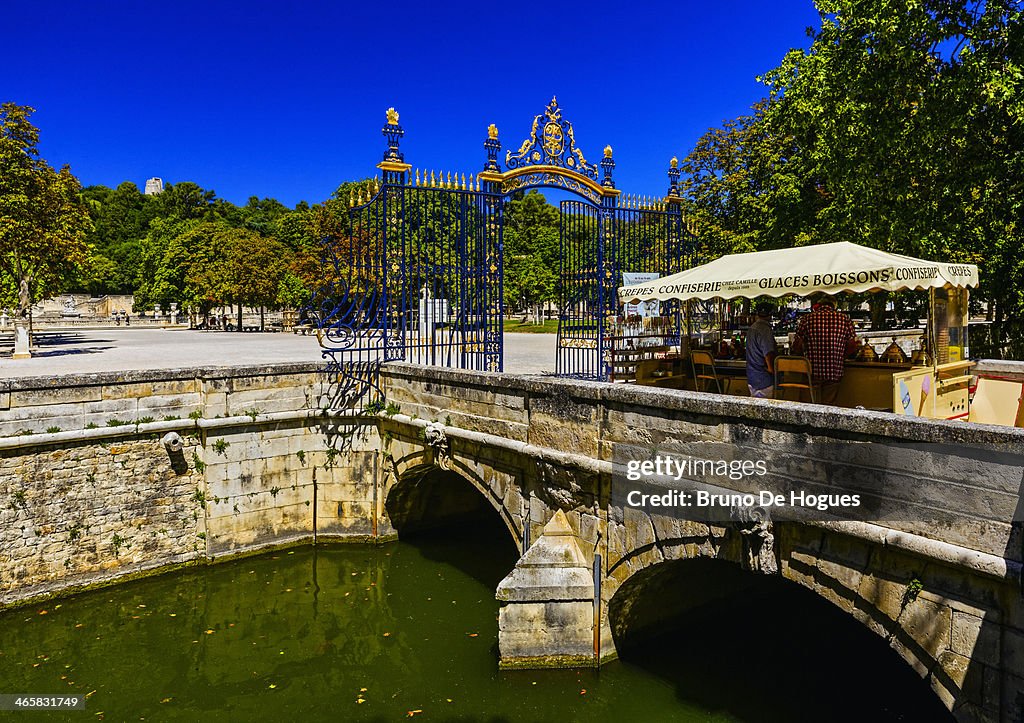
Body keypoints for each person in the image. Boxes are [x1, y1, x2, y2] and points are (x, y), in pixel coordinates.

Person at [792, 294, 858, 404]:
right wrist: (841, 356)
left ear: (820, 304)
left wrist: (800, 351)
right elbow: (853, 344)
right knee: (829, 406)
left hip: (811, 371)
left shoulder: (807, 319)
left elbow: (797, 345)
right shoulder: (844, 319)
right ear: (834, 305)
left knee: (808, 406)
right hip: (834, 370)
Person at [745, 302, 778, 398]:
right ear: (770, 315)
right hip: (764, 379)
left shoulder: (752, 328)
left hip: (752, 377)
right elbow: (768, 353)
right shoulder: (765, 329)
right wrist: (772, 370)